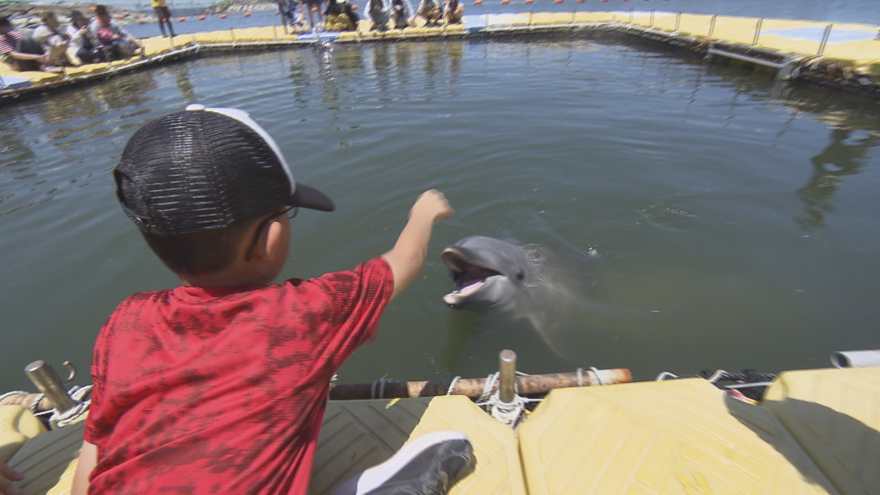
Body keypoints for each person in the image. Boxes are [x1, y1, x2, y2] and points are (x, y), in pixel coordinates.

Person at [69, 104, 459, 495]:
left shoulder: (125, 321)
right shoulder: (303, 314)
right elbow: (405, 261)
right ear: (268, 239)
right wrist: (424, 212)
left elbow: (94, 452)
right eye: (285, 212)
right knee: (458, 445)